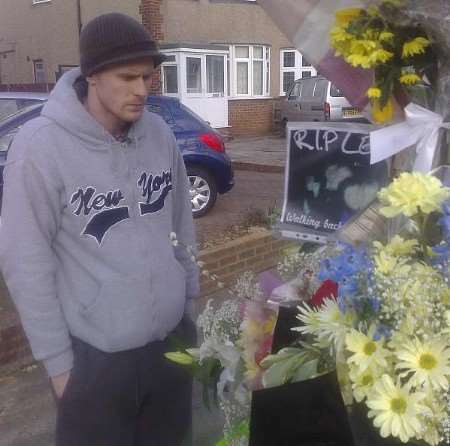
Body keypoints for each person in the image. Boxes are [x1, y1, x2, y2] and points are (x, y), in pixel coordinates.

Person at [0, 12, 199, 446]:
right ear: (91, 75)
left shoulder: (160, 134)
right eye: (128, 77)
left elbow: (181, 224)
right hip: (94, 363)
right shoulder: (40, 148)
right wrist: (61, 371)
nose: (142, 90)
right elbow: (25, 263)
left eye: (148, 77)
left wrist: (188, 305)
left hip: (170, 347)